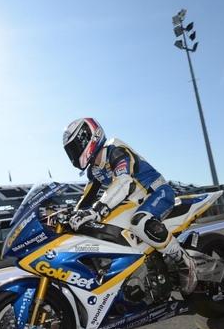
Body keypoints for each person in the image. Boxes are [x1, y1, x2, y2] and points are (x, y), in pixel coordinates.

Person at [62, 118, 197, 293]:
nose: (74, 154)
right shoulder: (94, 170)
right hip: (135, 201)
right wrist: (72, 215)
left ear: (91, 137)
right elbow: (86, 198)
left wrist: (97, 210)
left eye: (75, 147)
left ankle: (184, 262)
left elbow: (124, 182)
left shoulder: (115, 151)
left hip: (157, 192)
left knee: (139, 221)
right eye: (71, 151)